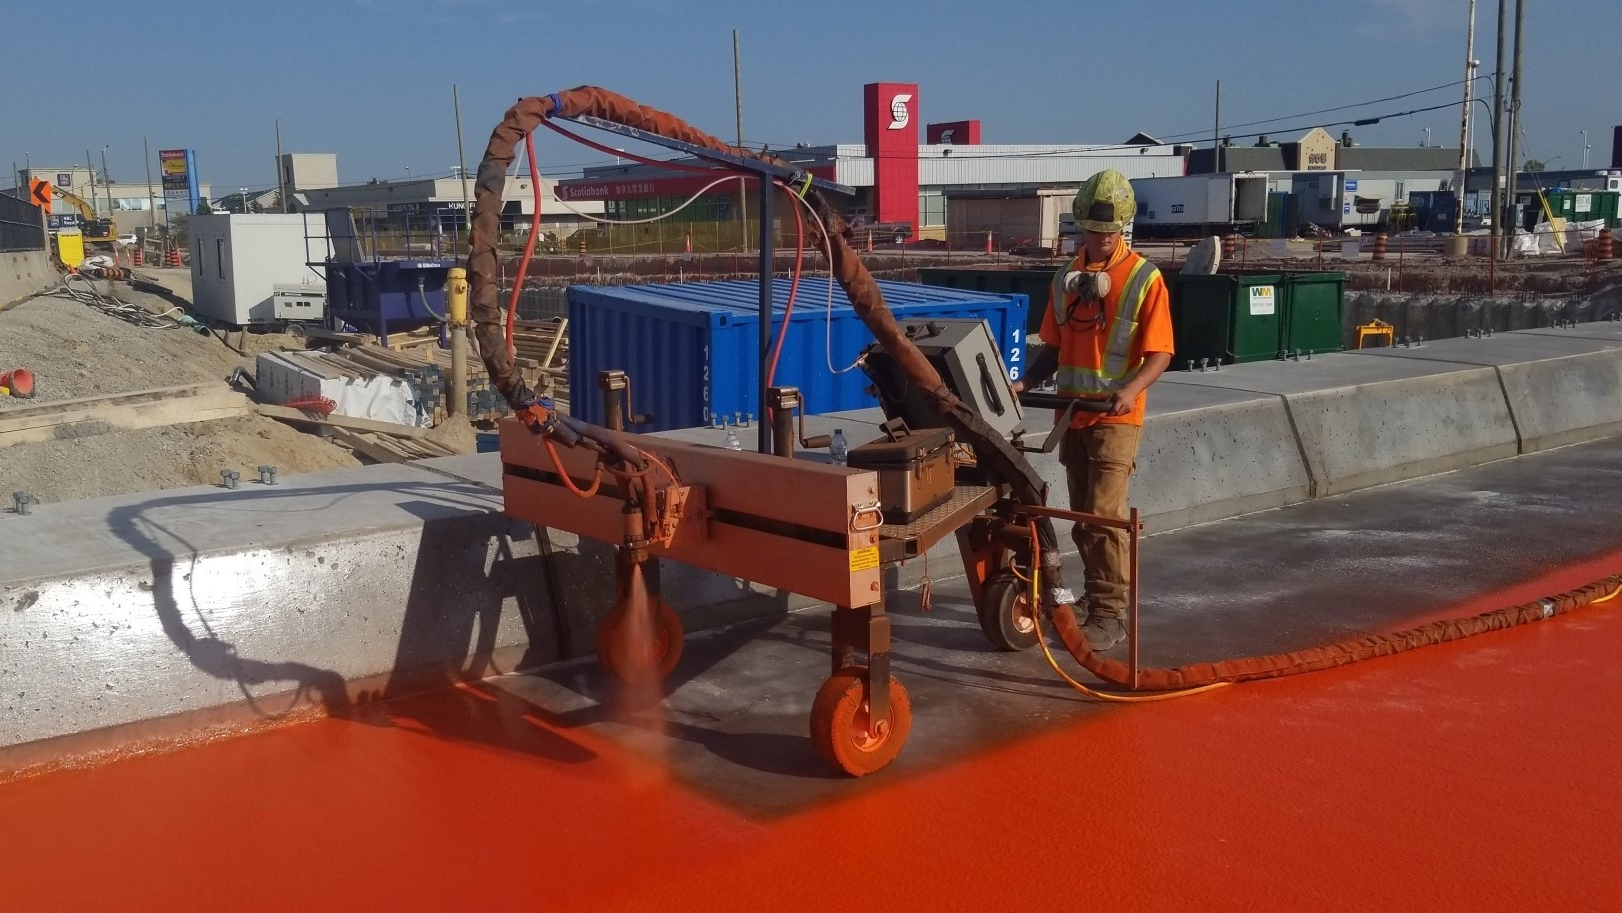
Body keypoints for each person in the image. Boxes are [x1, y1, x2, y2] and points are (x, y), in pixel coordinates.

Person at [1013, 170, 1173, 650]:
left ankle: (1109, 611)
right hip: (1073, 414)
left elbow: (1161, 352)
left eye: (1109, 233)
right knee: (1083, 516)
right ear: (1079, 227)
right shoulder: (1066, 279)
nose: (1101, 240)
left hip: (1116, 418)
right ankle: (1091, 595)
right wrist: (1026, 380)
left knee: (1104, 517)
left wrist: (1131, 389)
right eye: (1092, 231)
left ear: (1122, 228)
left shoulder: (1145, 278)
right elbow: (1054, 345)